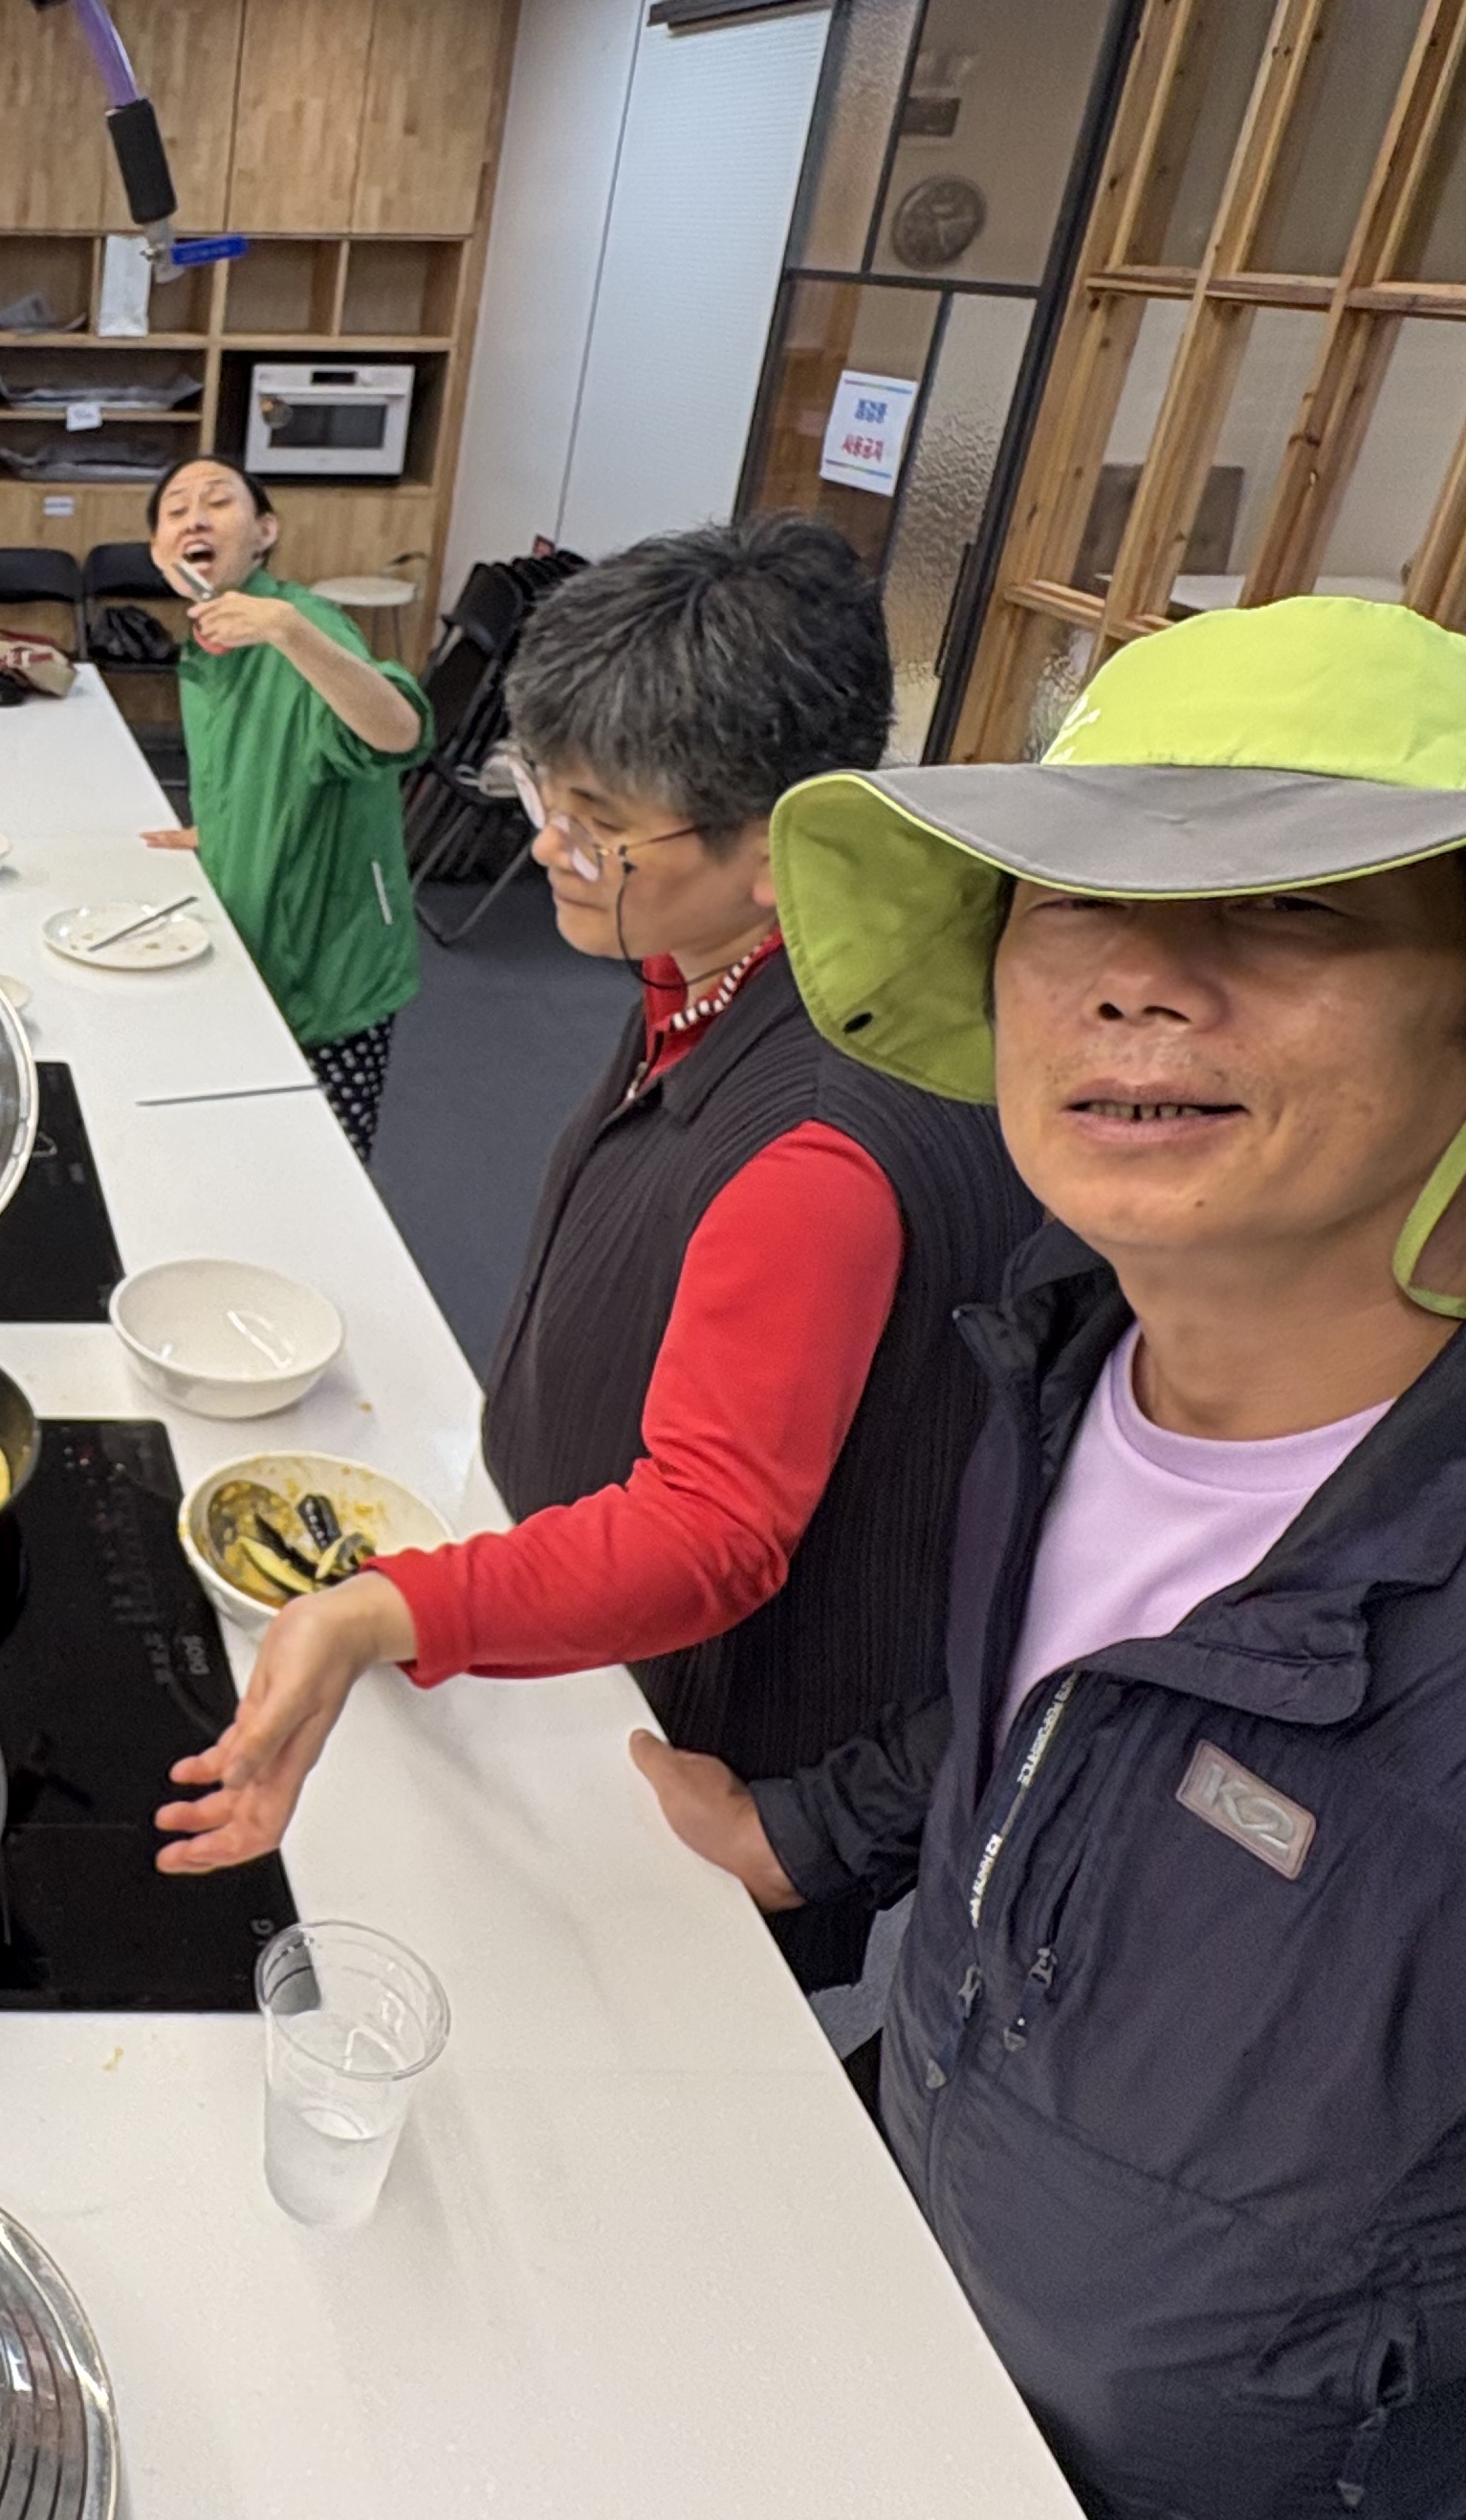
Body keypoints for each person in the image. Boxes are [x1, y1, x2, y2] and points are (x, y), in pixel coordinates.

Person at [640, 598, 1466, 2512]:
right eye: (1070, 893)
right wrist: (808, 1831)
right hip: (913, 2338)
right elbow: (1064, 1706)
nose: (1136, 980)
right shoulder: (1069, 1337)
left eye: (1290, 906)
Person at [156, 515, 1034, 1997]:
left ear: (782, 845)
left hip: (701, 1751)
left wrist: (388, 1607)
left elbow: (711, 1531)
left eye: (598, 824)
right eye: (538, 792)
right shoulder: (714, 972)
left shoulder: (817, 1146)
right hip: (590, 1646)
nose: (545, 848)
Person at [134, 457, 430, 1156]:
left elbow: (397, 733)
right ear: (158, 553)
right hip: (251, 937)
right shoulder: (209, 644)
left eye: (217, 502)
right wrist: (227, 825)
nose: (194, 518)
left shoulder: (301, 627)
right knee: (238, 1152)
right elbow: (262, 761)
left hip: (329, 968)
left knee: (322, 1167)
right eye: (175, 511)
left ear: (265, 532)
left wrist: (291, 632)